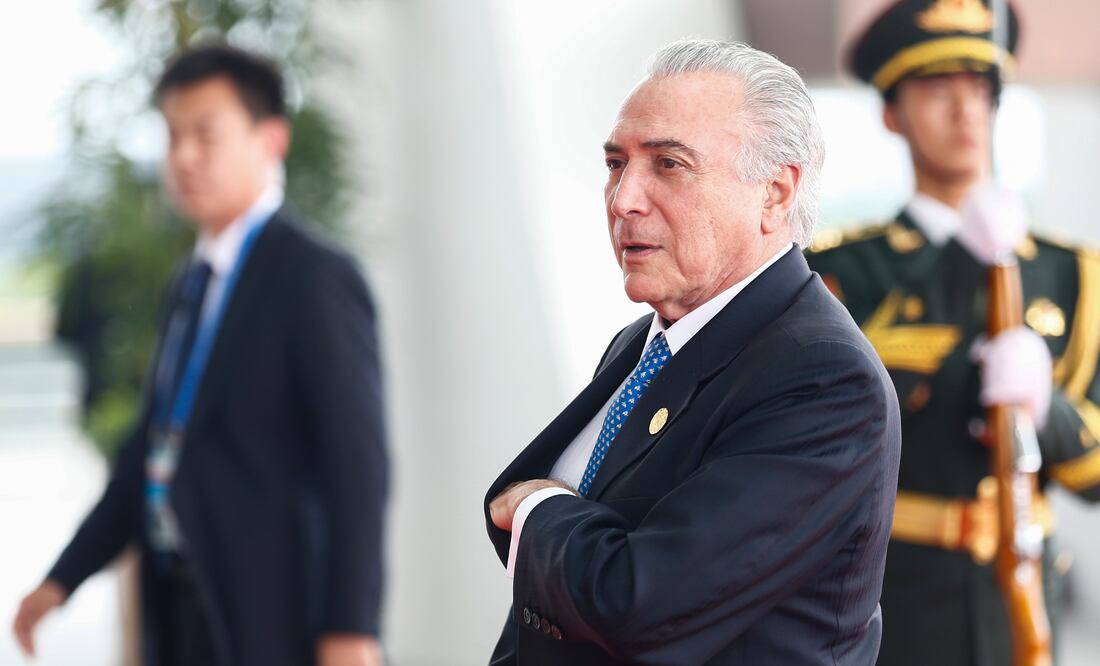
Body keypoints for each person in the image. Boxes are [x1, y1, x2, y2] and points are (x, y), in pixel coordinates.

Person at [484, 39, 901, 665]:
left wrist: (538, 508)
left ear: (775, 193)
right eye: (616, 164)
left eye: (669, 164)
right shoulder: (646, 340)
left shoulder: (822, 375)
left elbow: (639, 604)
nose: (624, 199)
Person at [11, 45, 388, 666]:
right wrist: (62, 578)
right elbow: (151, 451)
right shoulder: (190, 282)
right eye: (173, 136)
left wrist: (352, 629)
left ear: (270, 140)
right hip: (183, 610)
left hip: (275, 621)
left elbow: (358, 468)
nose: (184, 156)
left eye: (205, 135)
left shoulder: (314, 276)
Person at [806, 1, 1100, 664]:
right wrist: (963, 260)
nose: (967, 111)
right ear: (891, 114)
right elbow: (848, 416)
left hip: (1026, 589)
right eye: (938, 89)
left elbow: (1094, 476)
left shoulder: (1071, 273)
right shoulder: (842, 271)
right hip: (902, 597)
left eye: (980, 90)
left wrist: (1045, 408)